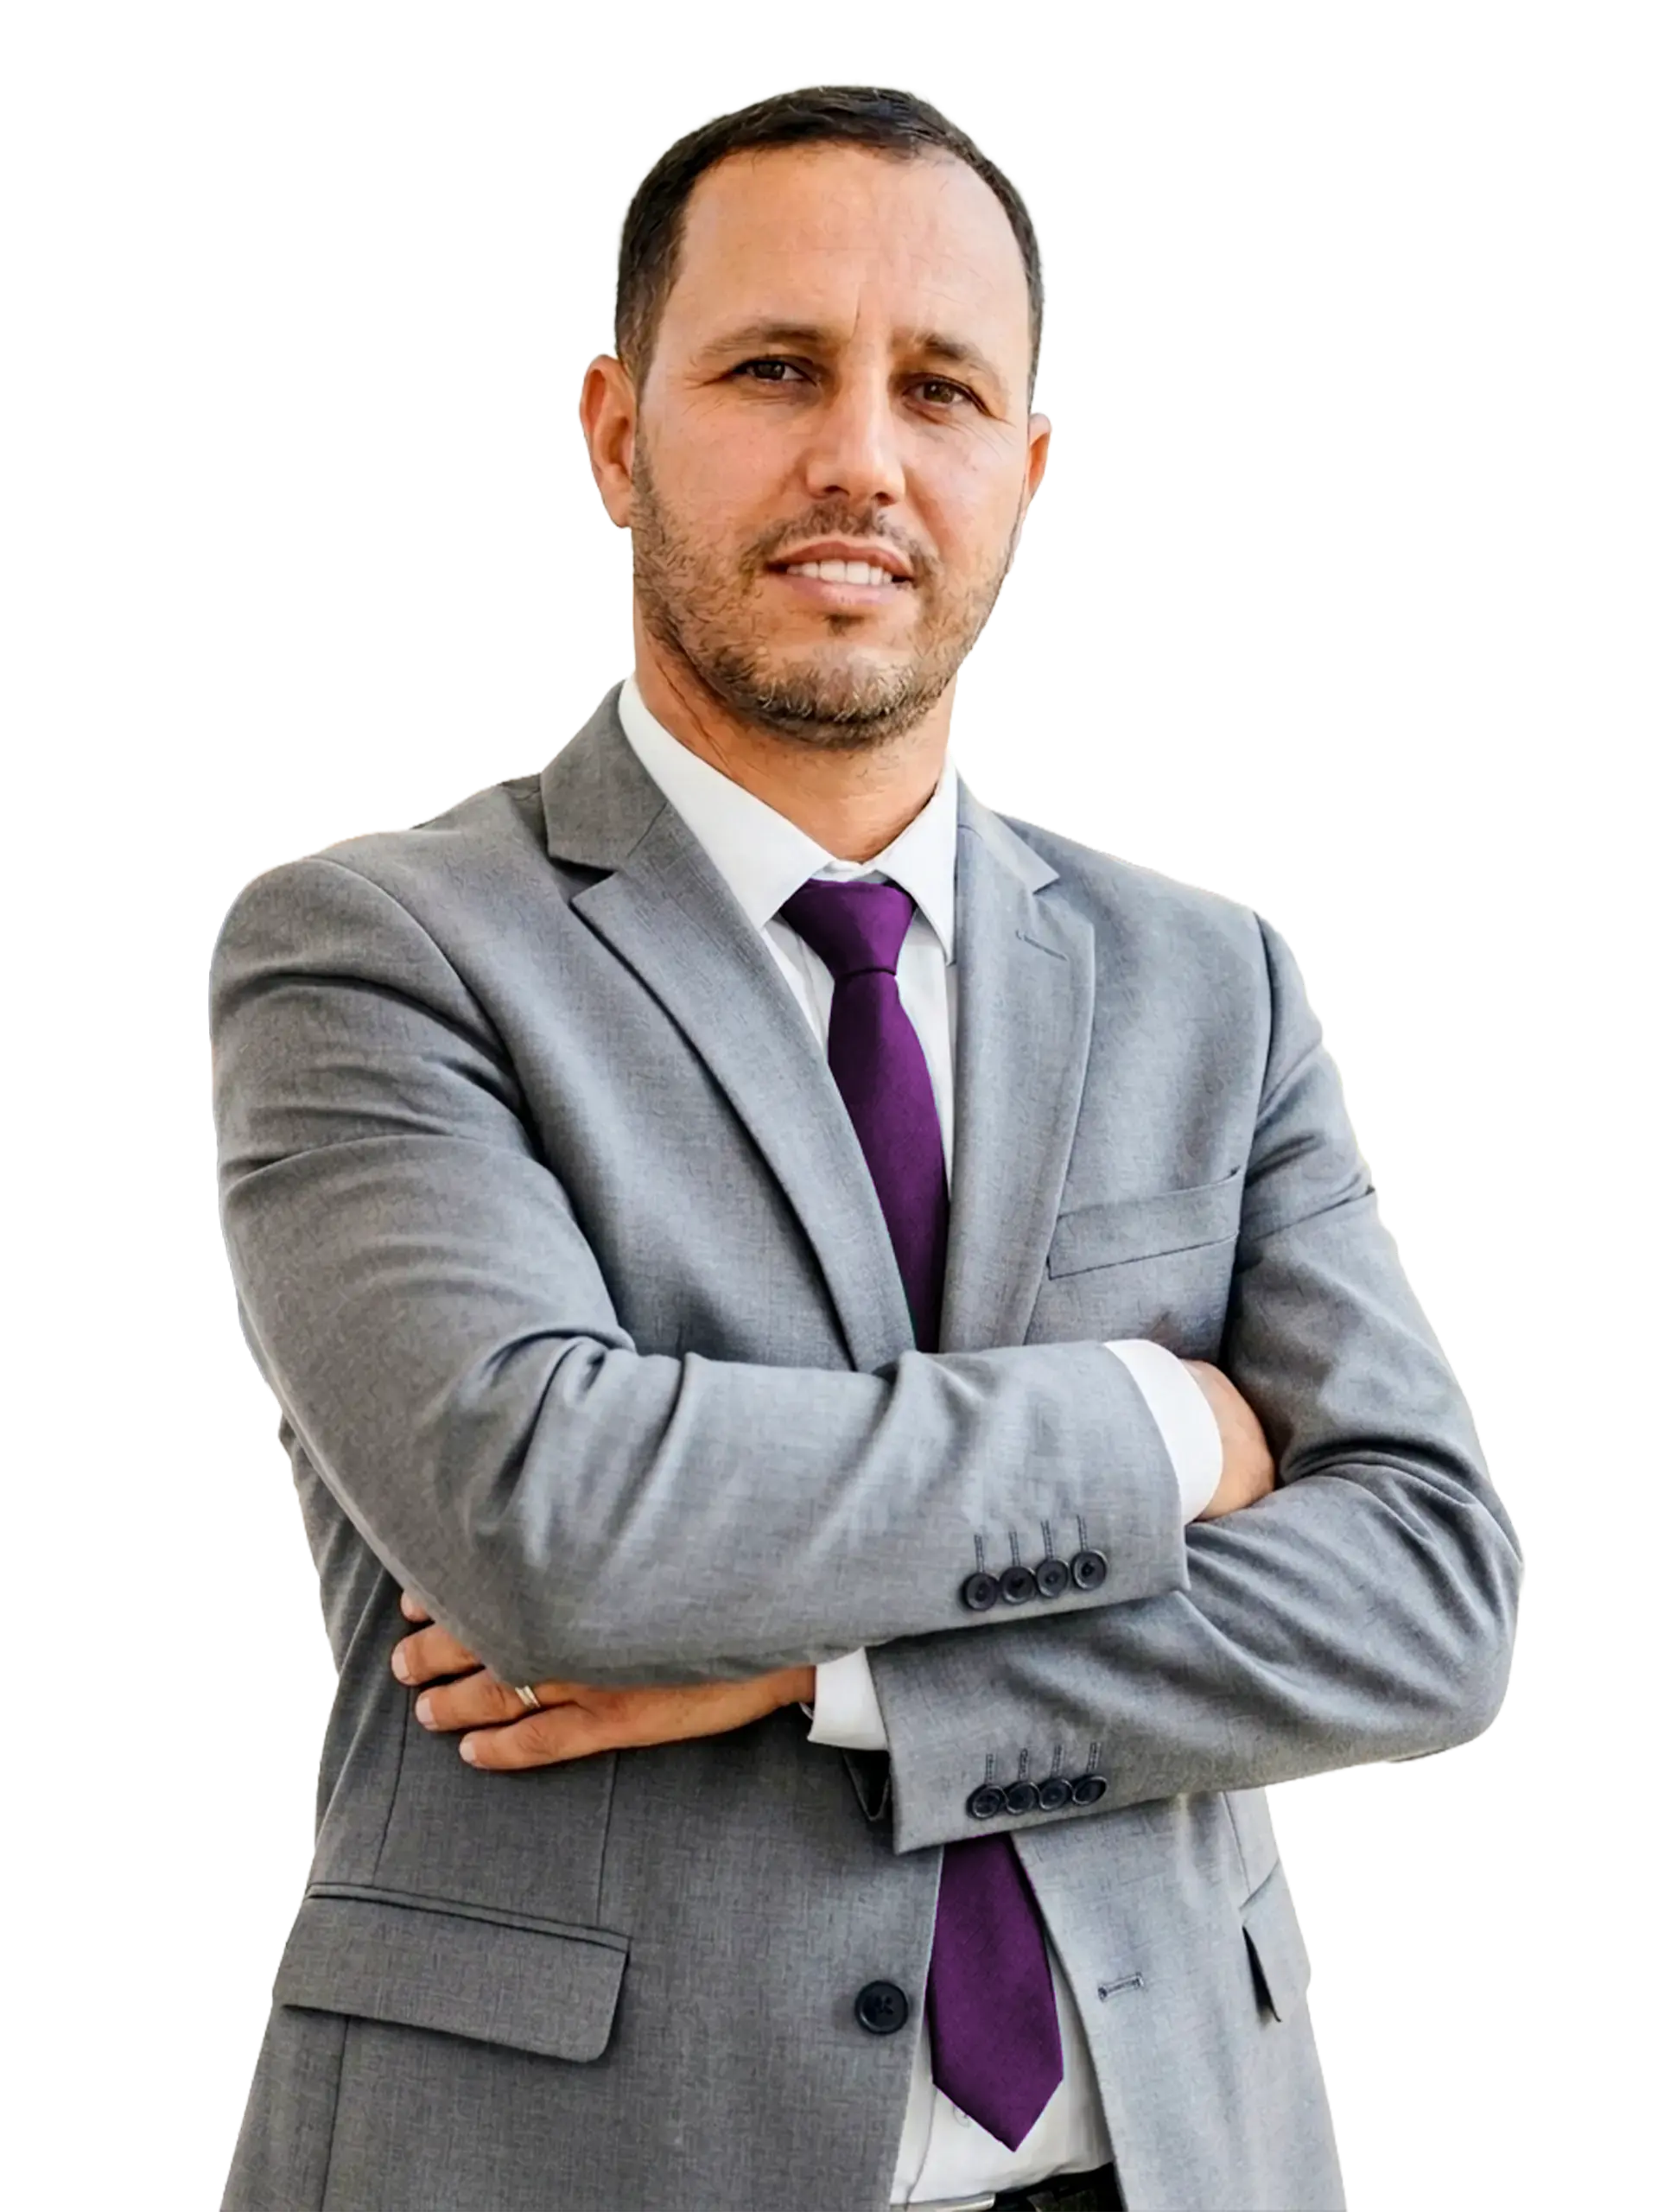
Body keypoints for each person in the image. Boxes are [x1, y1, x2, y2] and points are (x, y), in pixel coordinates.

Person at [209, 78, 1522, 2212]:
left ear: (1026, 469)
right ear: (616, 430)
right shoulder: (375, 950)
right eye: (775, 369)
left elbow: (1430, 1594)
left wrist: (831, 1668)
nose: (862, 457)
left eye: (940, 388)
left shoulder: (1213, 980)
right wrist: (1163, 1425)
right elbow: (555, 1519)